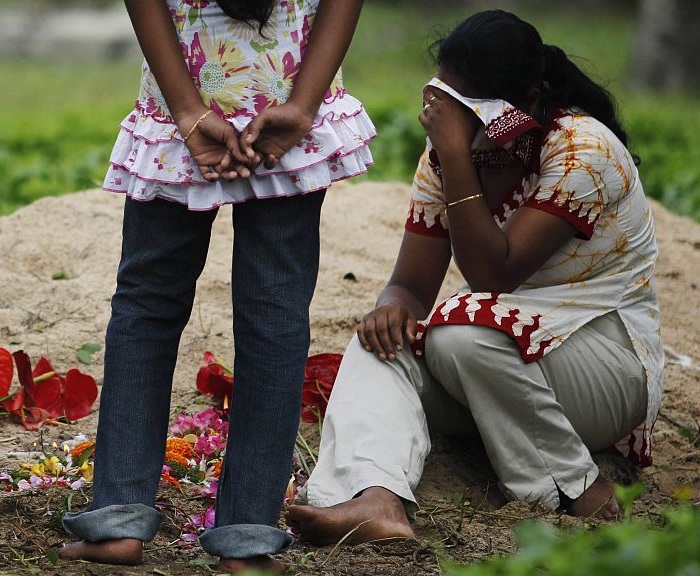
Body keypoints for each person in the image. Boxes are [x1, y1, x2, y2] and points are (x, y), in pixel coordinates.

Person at [285, 10, 664, 546]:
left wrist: (456, 155)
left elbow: (492, 275)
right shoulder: (453, 153)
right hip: (498, 357)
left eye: (469, 110)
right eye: (447, 102)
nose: (449, 119)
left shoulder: (583, 149)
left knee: (461, 335)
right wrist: (391, 307)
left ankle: (576, 489)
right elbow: (411, 289)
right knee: (379, 342)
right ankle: (374, 496)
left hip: (605, 364)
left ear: (527, 101)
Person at [58, 0, 373, 572]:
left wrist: (188, 112)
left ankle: (118, 523)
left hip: (184, 105)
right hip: (286, 96)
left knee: (147, 306)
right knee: (276, 313)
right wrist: (302, 107)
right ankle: (248, 539)